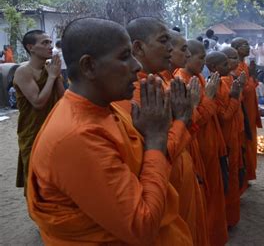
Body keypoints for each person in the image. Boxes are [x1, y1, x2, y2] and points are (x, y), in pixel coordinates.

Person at [27, 18, 192, 245]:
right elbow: (141, 224)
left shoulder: (106, 108)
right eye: (125, 56)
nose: (137, 65)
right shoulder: (77, 136)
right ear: (89, 66)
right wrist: (156, 139)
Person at [118, 17, 209, 246]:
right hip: (165, 184)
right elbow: (155, 151)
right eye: (163, 41)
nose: (171, 48)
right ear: (138, 48)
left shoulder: (160, 82)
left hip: (181, 173)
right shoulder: (138, 93)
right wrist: (184, 117)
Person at [175, 40, 229, 246]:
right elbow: (195, 119)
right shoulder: (181, 81)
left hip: (211, 142)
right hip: (197, 144)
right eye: (201, 58)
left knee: (213, 196)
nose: (203, 63)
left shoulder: (197, 77)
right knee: (205, 199)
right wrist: (209, 97)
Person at [13, 30, 64, 192]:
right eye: (44, 43)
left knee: (56, 175)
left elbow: (63, 99)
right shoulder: (23, 71)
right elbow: (38, 102)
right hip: (32, 131)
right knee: (35, 178)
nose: (50, 46)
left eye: (50, 42)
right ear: (31, 47)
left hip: (53, 129)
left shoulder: (50, 69)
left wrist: (55, 76)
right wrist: (51, 77)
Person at [206, 51, 244, 227]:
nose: (229, 66)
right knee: (227, 180)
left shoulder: (226, 81)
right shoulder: (216, 85)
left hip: (233, 136)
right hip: (224, 139)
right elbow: (224, 116)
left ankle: (232, 217)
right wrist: (235, 97)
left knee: (233, 177)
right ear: (213, 68)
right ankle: (227, 220)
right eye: (224, 64)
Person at [231, 38, 262, 185]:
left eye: (248, 44)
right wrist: (252, 79)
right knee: (244, 142)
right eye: (244, 45)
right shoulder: (235, 68)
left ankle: (248, 174)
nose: (248, 47)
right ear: (236, 48)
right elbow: (242, 90)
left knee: (251, 141)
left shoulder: (244, 65)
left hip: (250, 109)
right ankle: (243, 177)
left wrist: (253, 76)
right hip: (242, 111)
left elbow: (250, 86)